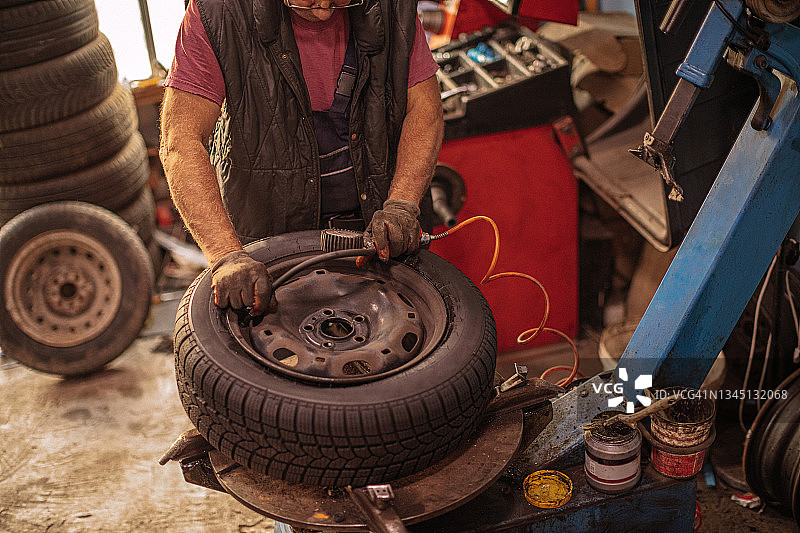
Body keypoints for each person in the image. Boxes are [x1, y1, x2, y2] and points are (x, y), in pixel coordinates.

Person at [160, 0, 444, 314]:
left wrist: (402, 203)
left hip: (382, 228)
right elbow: (181, 142)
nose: (324, 9)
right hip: (271, 232)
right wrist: (226, 255)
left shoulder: (390, 6)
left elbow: (425, 109)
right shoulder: (219, 12)